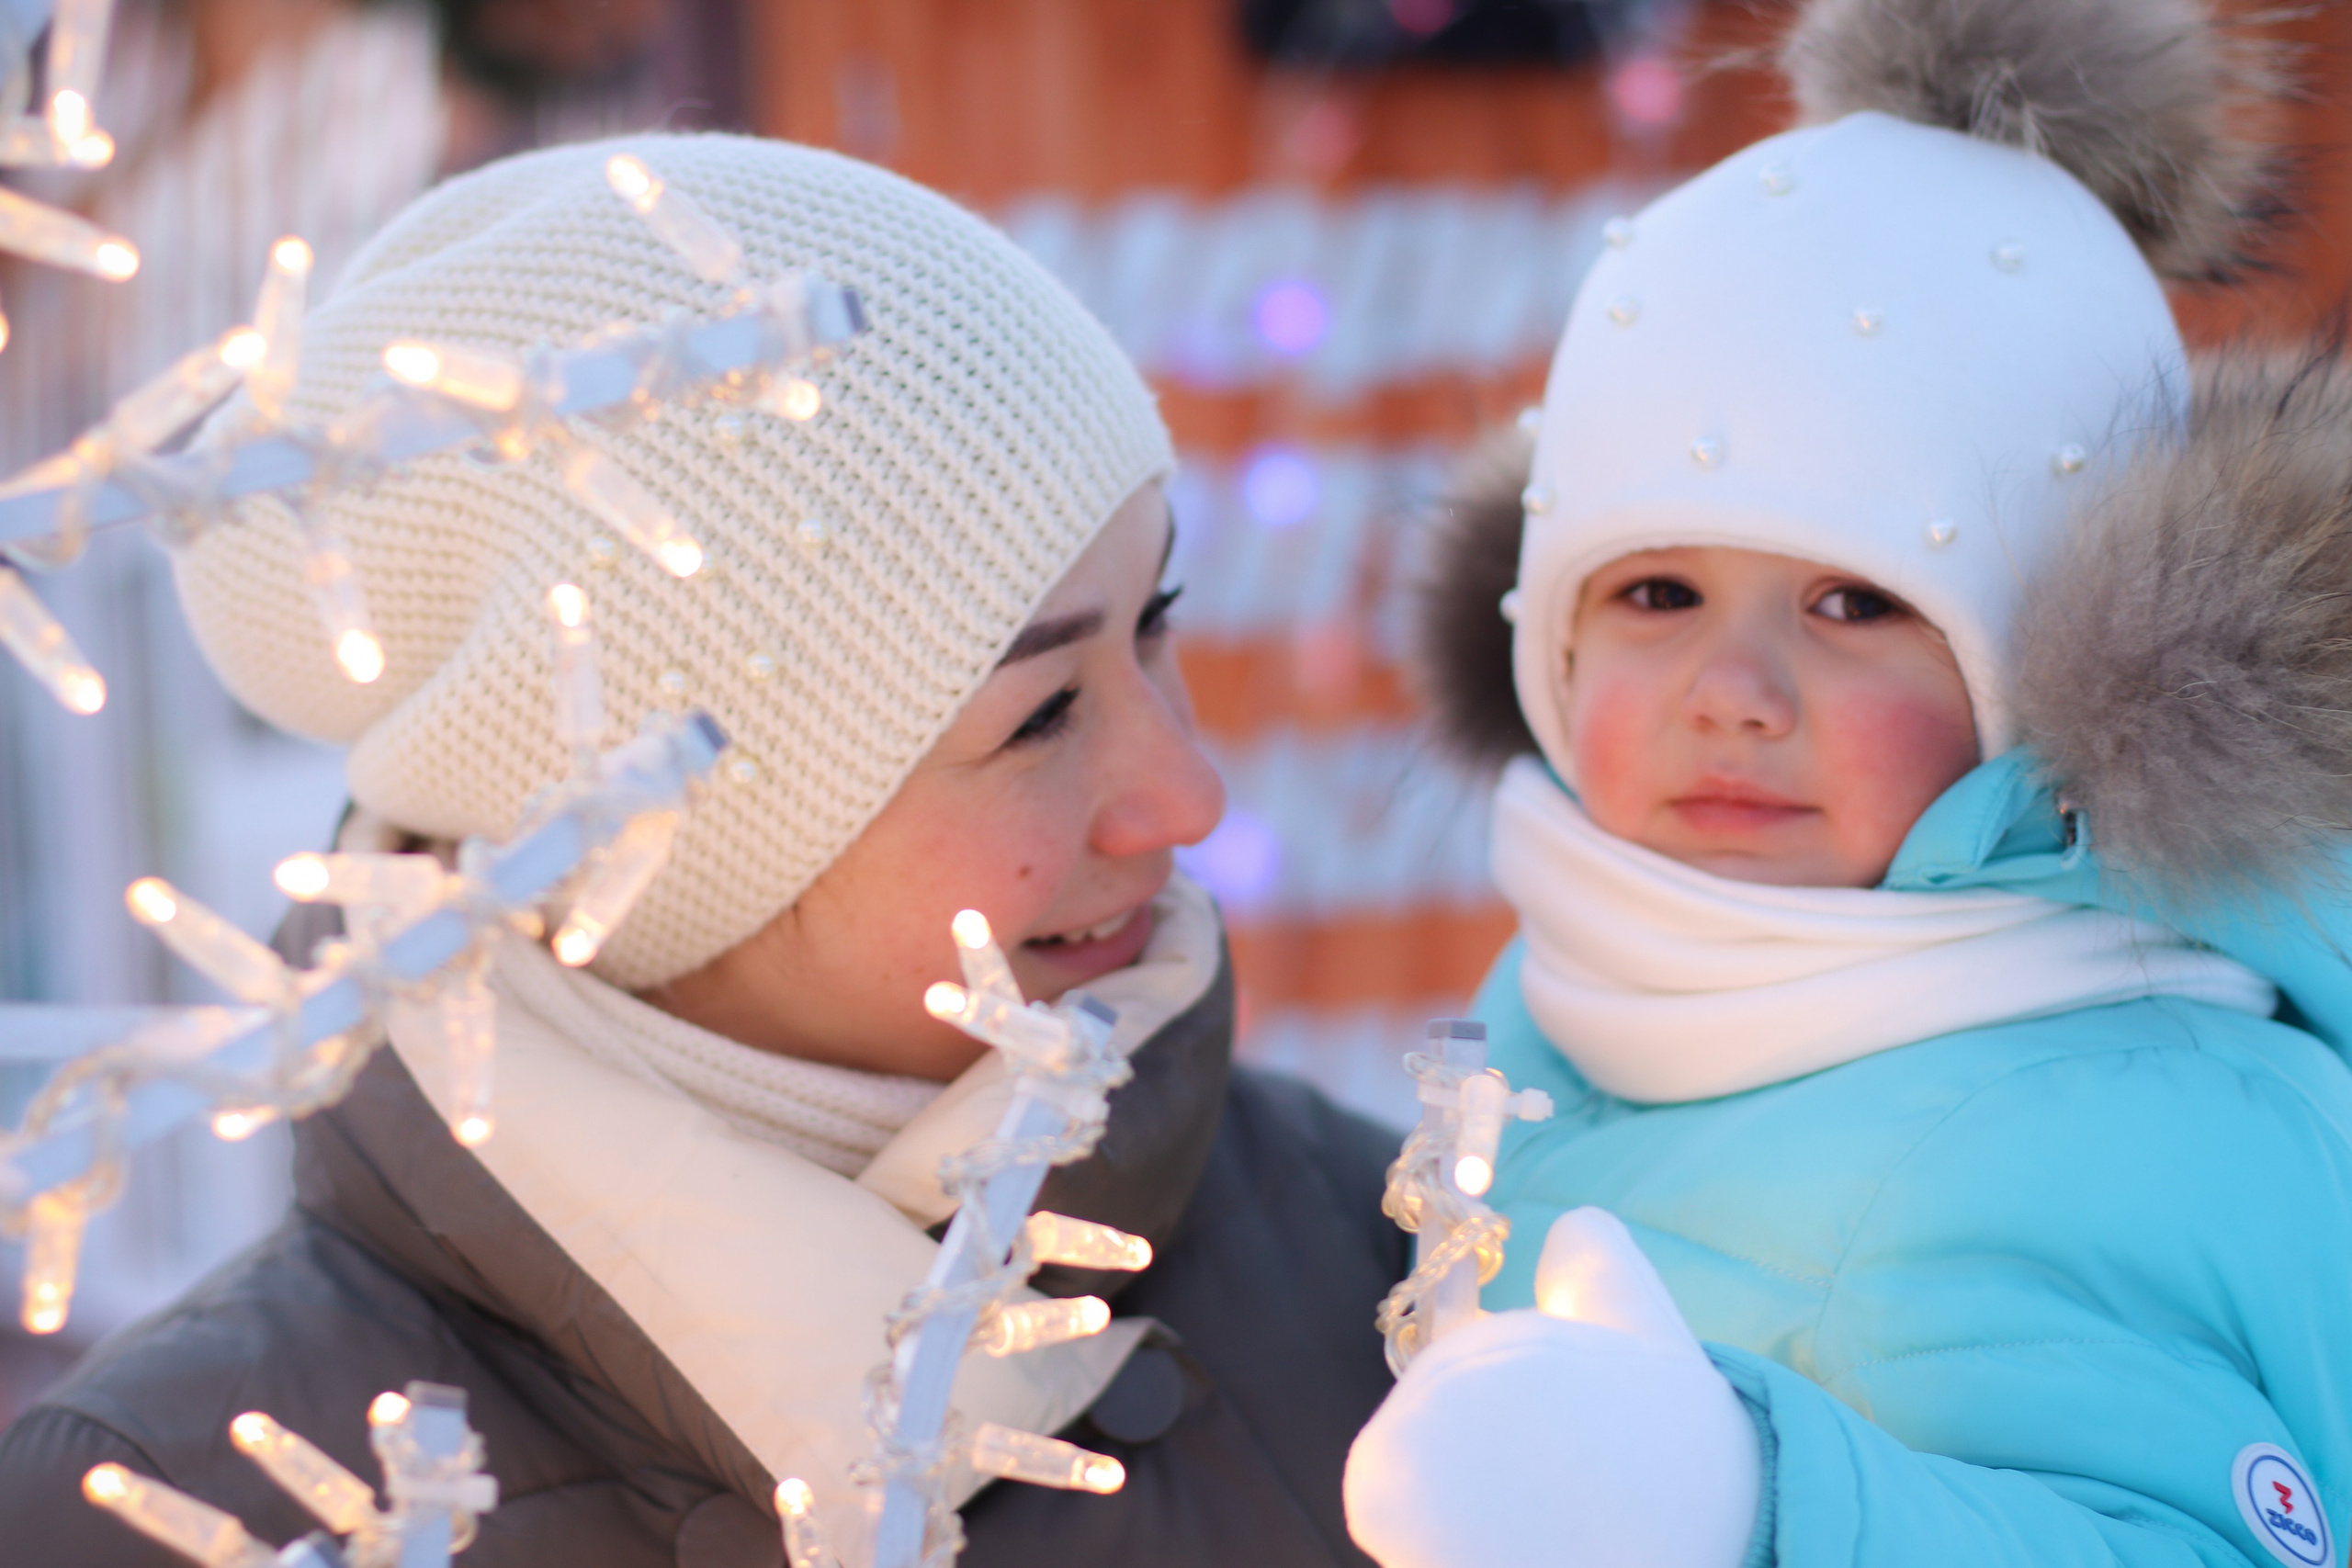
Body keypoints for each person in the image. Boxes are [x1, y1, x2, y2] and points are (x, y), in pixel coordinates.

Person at [0, 133, 1406, 1568]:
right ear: (662, 841)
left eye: (1151, 621)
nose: (1185, 795)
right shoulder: (183, 1509)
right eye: (1042, 713)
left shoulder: (1404, 1258)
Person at [1340, 1, 2352, 1565]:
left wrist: (1752, 1506)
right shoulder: (1604, 993)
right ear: (1542, 633)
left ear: (2055, 667)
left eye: (1855, 604)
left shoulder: (2118, 1123)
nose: (1732, 699)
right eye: (1656, 595)